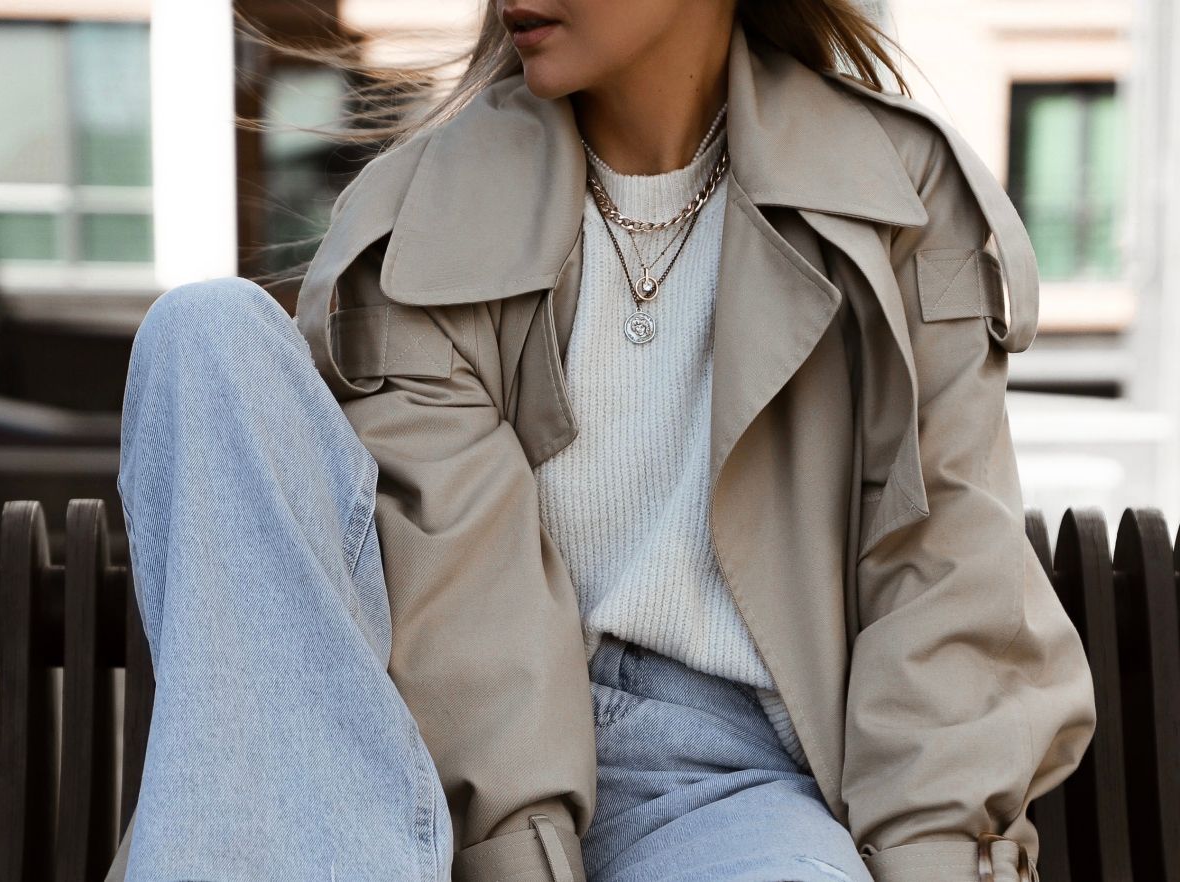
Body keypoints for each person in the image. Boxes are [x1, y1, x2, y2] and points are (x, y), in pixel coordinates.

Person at [106, 1, 1097, 881]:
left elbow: (942, 569)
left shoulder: (897, 196)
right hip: (432, 771)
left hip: (722, 781)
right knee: (205, 331)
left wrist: (936, 859)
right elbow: (460, 589)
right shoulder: (424, 212)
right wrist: (514, 854)